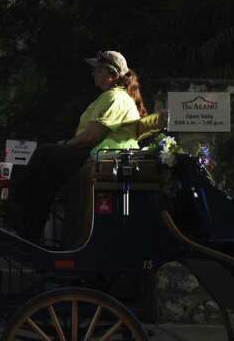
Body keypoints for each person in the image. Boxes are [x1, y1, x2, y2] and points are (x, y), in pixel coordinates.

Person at [10, 50, 162, 242]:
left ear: (112, 75)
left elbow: (93, 135)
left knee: (43, 155)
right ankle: (29, 229)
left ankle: (19, 218)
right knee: (46, 173)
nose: (93, 74)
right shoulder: (110, 96)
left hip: (99, 155)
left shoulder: (116, 98)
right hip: (95, 154)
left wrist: (66, 144)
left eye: (98, 70)